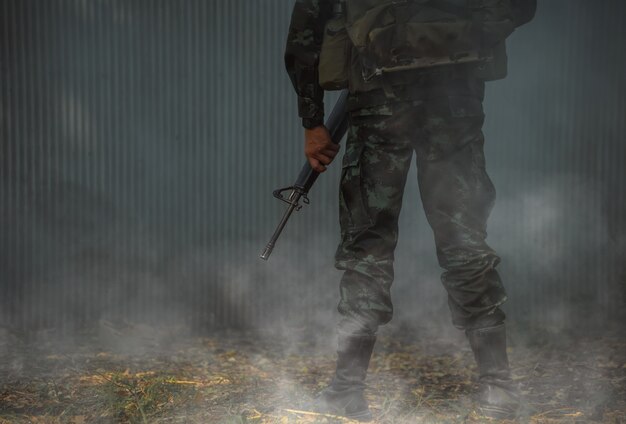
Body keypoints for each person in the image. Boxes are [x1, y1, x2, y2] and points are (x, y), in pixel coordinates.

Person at [284, 0, 536, 421]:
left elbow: (305, 33)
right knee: (464, 236)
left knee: (368, 244)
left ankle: (347, 390)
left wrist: (312, 120)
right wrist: (469, 36)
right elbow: (521, 6)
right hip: (455, 97)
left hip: (378, 100)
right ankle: (499, 388)